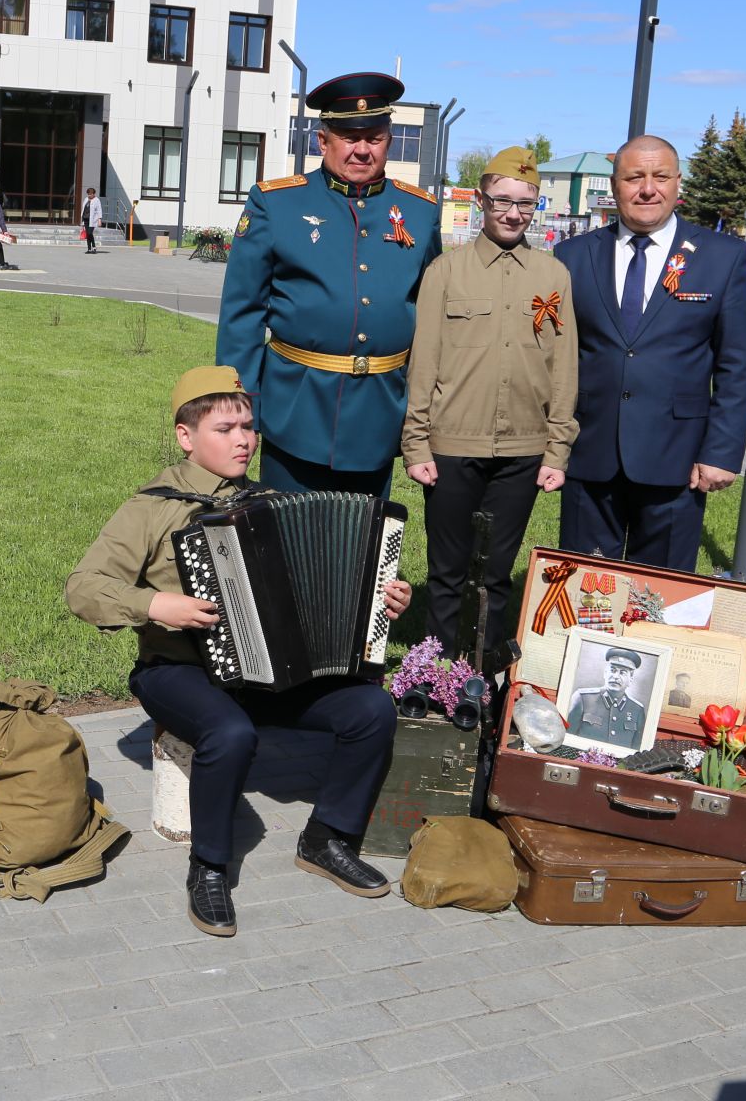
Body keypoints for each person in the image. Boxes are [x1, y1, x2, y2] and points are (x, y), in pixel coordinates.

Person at [66, 366, 412, 938]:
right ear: (185, 437)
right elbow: (83, 587)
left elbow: (326, 583)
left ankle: (327, 838)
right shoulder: (151, 507)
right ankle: (208, 867)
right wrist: (158, 606)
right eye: (225, 428)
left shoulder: (269, 501)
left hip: (268, 677)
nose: (244, 440)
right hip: (175, 670)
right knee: (229, 734)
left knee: (370, 711)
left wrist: (381, 595)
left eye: (248, 427)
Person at [216, 71, 440, 497]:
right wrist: (242, 413)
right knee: (287, 540)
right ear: (323, 142)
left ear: (388, 141)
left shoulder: (418, 211)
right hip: (295, 409)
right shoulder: (277, 203)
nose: (361, 149)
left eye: (373, 138)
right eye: (348, 137)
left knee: (360, 546)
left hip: (379, 411)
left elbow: (430, 315)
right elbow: (242, 316)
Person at [552, 136, 746, 572]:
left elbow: (737, 364)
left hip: (677, 461)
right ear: (615, 185)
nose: (648, 189)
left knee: (659, 597)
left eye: (660, 176)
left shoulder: (722, 258)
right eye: (634, 177)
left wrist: (721, 452)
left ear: (678, 182)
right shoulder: (572, 256)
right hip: (590, 456)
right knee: (584, 587)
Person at [402, 147, 577, 659]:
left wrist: (557, 450)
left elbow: (563, 369)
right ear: (481, 201)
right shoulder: (446, 272)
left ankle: (484, 675)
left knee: (497, 574)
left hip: (523, 449)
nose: (512, 213)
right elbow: (424, 363)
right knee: (448, 572)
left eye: (525, 204)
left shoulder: (552, 277)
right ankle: (435, 676)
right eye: (502, 200)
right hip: (452, 445)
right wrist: (416, 445)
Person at [567, 648, 648, 749]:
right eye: (612, 670)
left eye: (622, 673)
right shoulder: (582, 698)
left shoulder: (637, 710)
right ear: (605, 673)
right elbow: (567, 739)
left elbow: (636, 749)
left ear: (630, 679)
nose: (615, 676)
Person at [82, 186, 104, 254]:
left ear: (94, 194)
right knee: (88, 234)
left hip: (92, 220)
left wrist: (99, 219)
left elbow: (99, 210)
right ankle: (89, 249)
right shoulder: (86, 199)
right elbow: (83, 209)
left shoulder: (97, 200)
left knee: (89, 233)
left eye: (90, 194)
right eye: (88, 194)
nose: (89, 195)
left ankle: (94, 247)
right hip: (85, 218)